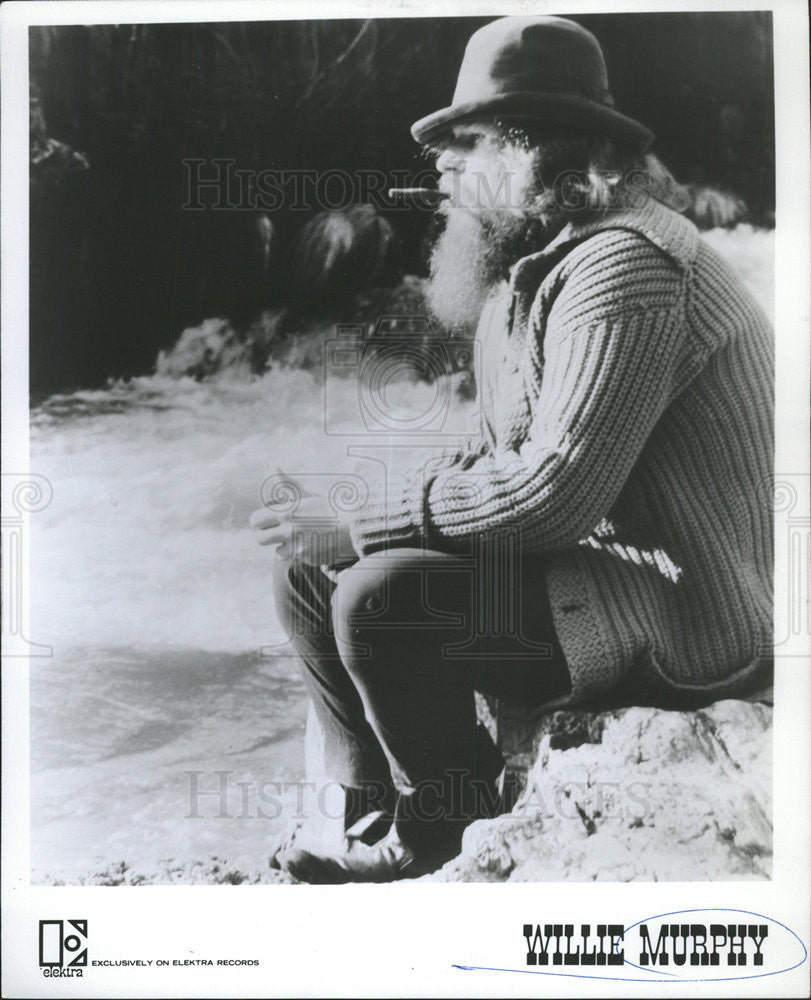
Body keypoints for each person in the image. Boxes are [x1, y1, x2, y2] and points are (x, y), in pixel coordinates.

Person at [250, 15, 774, 883]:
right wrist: (346, 509)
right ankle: (360, 807)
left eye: (469, 142)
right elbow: (501, 447)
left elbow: (552, 494)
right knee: (303, 570)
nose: (443, 167)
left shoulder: (625, 267)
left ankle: (445, 830)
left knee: (380, 598)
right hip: (602, 565)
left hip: (690, 609)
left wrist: (364, 526)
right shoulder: (537, 263)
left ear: (539, 151)